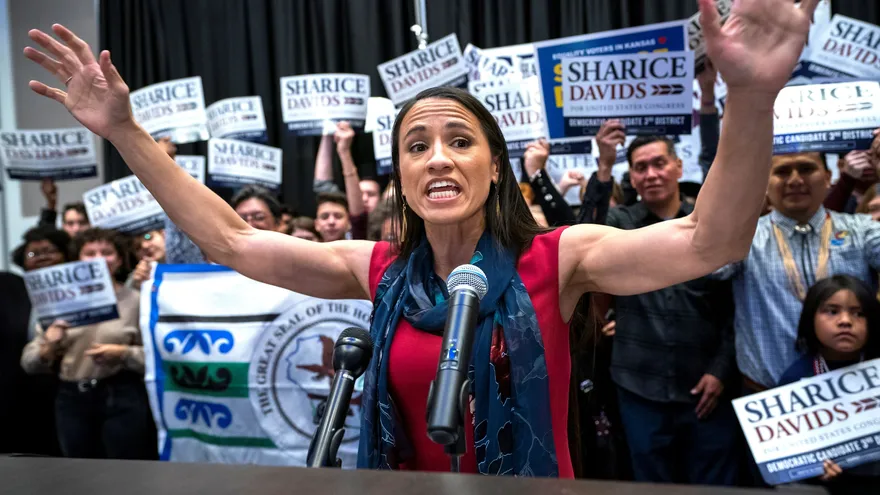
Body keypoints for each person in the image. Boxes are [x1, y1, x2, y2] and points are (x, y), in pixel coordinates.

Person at [25, 3, 817, 475]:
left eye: (459, 140)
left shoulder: (561, 257)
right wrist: (126, 132)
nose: (437, 155)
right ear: (400, 176)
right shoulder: (373, 270)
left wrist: (749, 96)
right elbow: (233, 241)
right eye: (416, 144)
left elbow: (709, 240)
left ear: (496, 168)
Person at [602, 136, 739, 485]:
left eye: (659, 163)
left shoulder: (710, 227)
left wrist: (721, 371)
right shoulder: (617, 224)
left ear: (679, 166)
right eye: (640, 167)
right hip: (638, 390)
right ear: (631, 178)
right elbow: (571, 231)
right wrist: (604, 167)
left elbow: (734, 309)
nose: (651, 174)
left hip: (706, 391)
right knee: (650, 485)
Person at [714, 145, 880, 393]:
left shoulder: (861, 230)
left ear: (828, 176)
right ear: (765, 182)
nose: (794, 180)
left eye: (806, 168)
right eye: (782, 172)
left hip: (857, 393)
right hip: (768, 398)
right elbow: (703, 267)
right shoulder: (743, 239)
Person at [20, 227, 155, 459]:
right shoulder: (59, 301)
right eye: (90, 253)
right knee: (78, 473)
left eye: (107, 252)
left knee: (126, 473)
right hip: (71, 399)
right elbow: (28, 363)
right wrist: (49, 346)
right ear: (78, 260)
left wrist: (124, 353)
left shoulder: (136, 301)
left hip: (122, 395)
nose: (99, 259)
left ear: (120, 260)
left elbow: (155, 357)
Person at [778, 275, 880, 494]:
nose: (845, 321)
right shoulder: (795, 378)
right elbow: (788, 455)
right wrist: (810, 466)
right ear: (810, 319)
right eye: (832, 311)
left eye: (858, 313)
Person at [313, 121, 369, 238]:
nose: (331, 222)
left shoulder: (356, 243)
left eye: (338, 216)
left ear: (349, 222)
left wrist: (344, 151)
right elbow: (321, 186)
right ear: (316, 224)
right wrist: (327, 131)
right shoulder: (306, 251)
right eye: (324, 217)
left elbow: (358, 215)